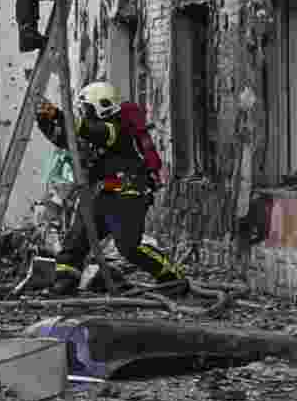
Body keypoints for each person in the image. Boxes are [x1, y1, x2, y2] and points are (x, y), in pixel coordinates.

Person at [36, 81, 186, 296]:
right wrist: (43, 119)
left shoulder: (116, 129)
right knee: (76, 240)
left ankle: (171, 277)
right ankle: (65, 283)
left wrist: (59, 114)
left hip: (127, 194)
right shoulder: (92, 133)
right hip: (101, 194)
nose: (83, 112)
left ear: (100, 107)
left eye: (86, 108)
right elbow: (65, 139)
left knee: (129, 247)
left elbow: (91, 131)